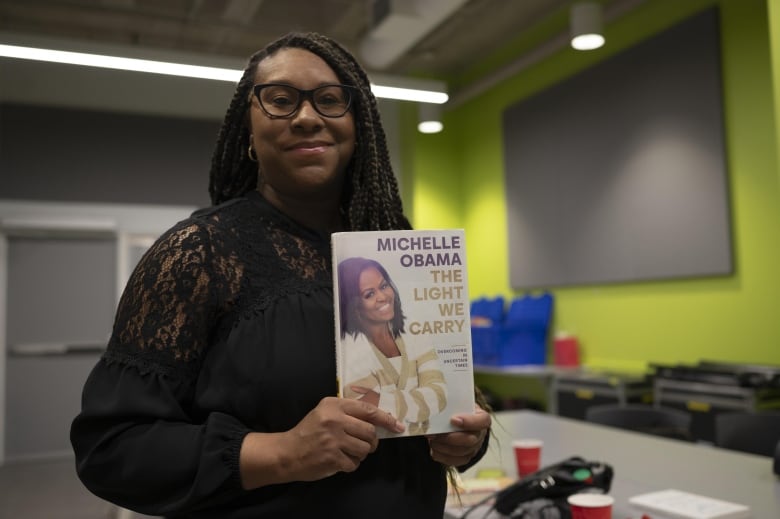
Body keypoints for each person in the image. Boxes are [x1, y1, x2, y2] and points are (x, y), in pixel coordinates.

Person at [70, 31, 491, 518]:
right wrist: (283, 453)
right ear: (247, 129)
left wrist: (465, 439)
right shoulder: (200, 252)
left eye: (330, 100)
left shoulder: (395, 250)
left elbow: (446, 400)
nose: (307, 117)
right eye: (281, 100)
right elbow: (112, 448)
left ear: (360, 126)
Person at [338, 256, 447, 436]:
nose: (383, 297)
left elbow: (439, 395)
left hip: (424, 452)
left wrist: (382, 401)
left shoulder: (415, 331)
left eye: (383, 286)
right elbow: (362, 411)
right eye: (369, 294)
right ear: (354, 306)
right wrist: (419, 402)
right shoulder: (350, 350)